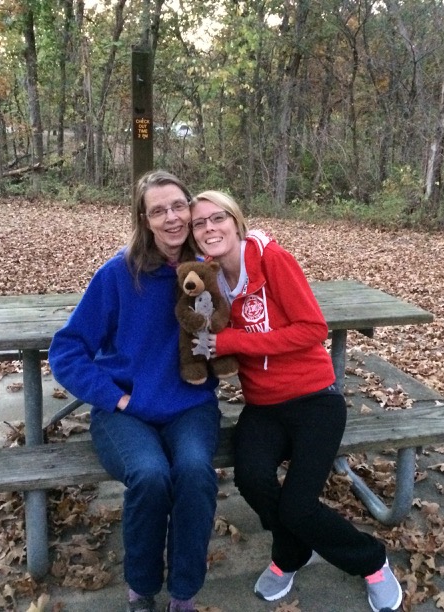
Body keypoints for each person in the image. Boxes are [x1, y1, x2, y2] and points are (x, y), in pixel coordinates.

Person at [188, 190, 403, 612]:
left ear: (236, 222)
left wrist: (231, 340)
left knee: (299, 506)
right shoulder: (209, 281)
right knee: (251, 479)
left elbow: (313, 329)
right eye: (200, 223)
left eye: (218, 218)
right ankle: (292, 553)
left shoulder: (272, 260)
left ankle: (372, 561)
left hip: (315, 401)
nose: (209, 228)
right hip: (264, 406)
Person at [48, 171, 221, 612]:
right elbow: (67, 350)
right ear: (143, 220)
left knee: (195, 472)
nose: (171, 218)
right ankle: (141, 590)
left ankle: (183, 594)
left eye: (178, 206)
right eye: (158, 210)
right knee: (149, 475)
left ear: (190, 209)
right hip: (125, 411)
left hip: (191, 405)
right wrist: (115, 397)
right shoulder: (117, 274)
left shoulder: (207, 269)